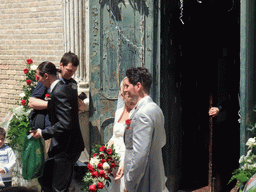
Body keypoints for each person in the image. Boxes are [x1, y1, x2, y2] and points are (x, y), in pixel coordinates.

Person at [30, 61, 85, 192]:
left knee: (58, 187)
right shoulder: (63, 88)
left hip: (66, 148)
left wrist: (42, 133)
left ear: (46, 76)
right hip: (61, 146)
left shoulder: (60, 91)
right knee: (45, 180)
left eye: (38, 77)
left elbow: (65, 124)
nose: (38, 81)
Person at [123, 67, 168, 192]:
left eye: (127, 85)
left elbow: (140, 155)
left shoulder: (142, 113)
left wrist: (130, 182)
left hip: (144, 181)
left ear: (138, 86)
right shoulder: (155, 108)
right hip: (154, 176)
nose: (125, 89)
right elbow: (162, 141)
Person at [106, 77, 136, 192]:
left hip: (128, 159)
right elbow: (114, 135)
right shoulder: (118, 112)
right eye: (125, 95)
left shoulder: (136, 114)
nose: (131, 99)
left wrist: (125, 162)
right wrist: (106, 152)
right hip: (115, 160)